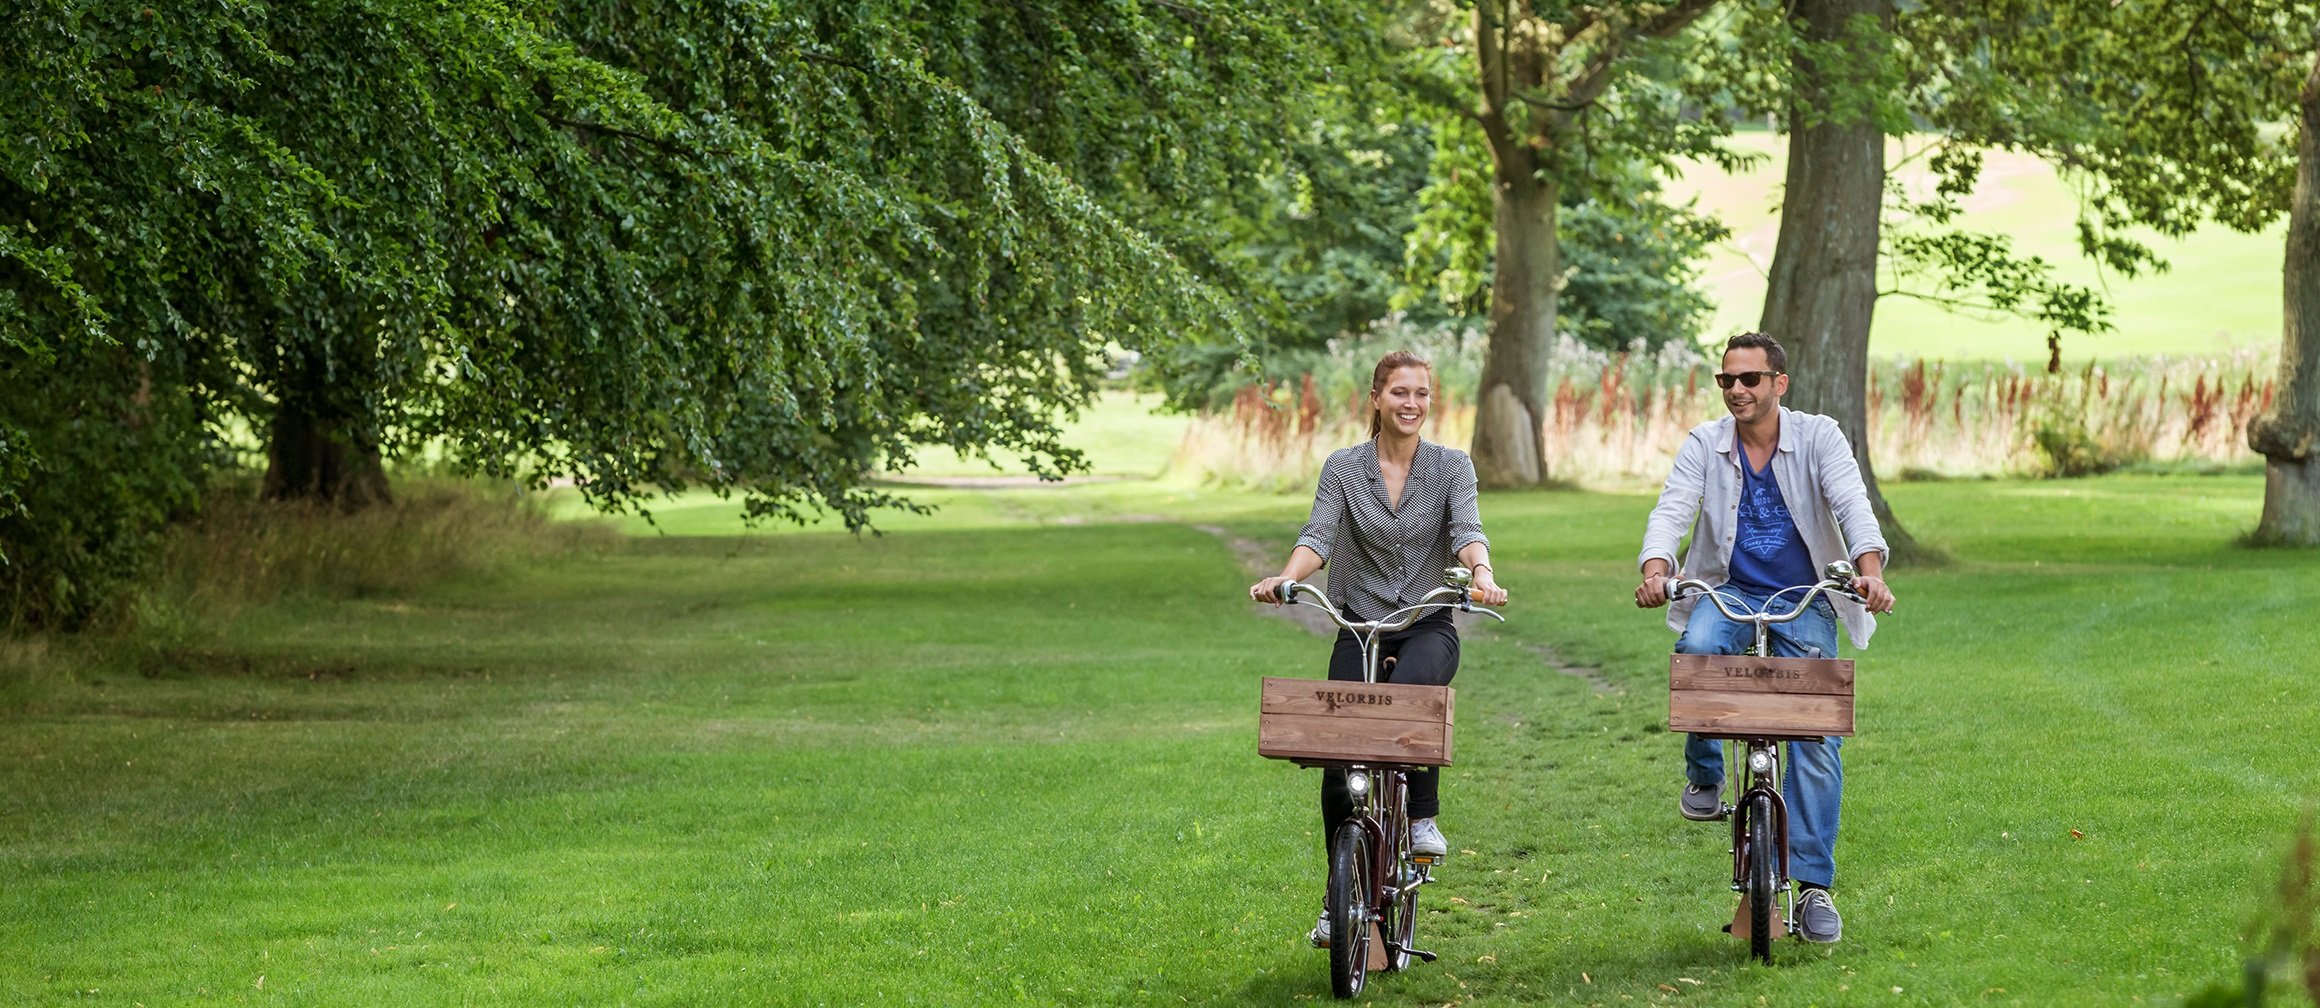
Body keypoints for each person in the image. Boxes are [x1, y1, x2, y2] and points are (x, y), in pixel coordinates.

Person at [1632, 332, 1896, 945]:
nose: (1737, 391)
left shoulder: (1819, 436)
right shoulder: (1705, 442)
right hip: (1729, 591)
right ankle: (1705, 775)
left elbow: (1853, 506)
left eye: (1749, 379)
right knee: (1696, 653)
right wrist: (1657, 570)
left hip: (1802, 596)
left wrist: (1871, 575)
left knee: (1816, 736)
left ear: (1779, 383)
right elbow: (1672, 510)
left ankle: (1814, 890)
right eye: (1727, 380)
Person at [1248, 349, 1509, 948]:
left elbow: (1467, 530)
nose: (1411, 403)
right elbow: (1319, 532)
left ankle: (1421, 815)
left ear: (1430, 399)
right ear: (1376, 398)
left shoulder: (1451, 466)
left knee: (1409, 695)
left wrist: (1483, 574)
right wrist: (1288, 578)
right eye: (1399, 393)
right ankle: (1334, 902)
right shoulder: (1344, 467)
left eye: (1421, 393)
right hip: (1361, 625)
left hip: (1426, 623)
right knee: (1340, 757)